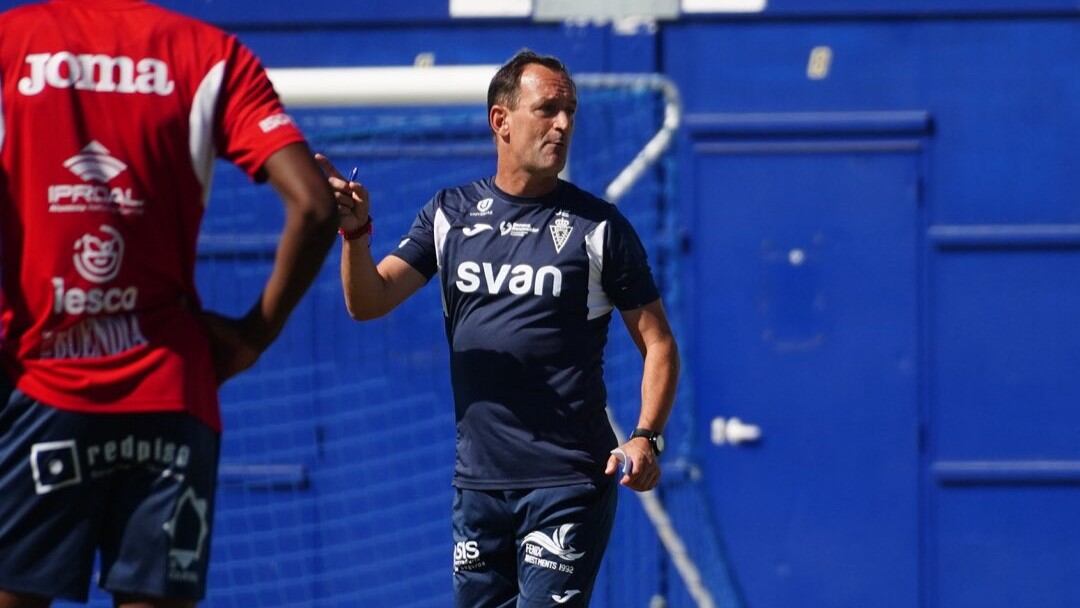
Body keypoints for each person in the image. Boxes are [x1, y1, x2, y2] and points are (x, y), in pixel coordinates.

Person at [0, 1, 337, 607]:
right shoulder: (210, 54)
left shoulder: (10, 43)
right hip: (171, 391)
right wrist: (255, 335)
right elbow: (314, 206)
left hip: (39, 383)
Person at [319, 50, 679, 607]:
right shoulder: (449, 213)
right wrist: (355, 232)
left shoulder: (600, 227)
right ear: (501, 121)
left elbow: (657, 343)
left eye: (570, 112)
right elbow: (370, 301)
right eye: (548, 109)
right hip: (479, 484)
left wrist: (647, 434)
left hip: (567, 481)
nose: (563, 124)